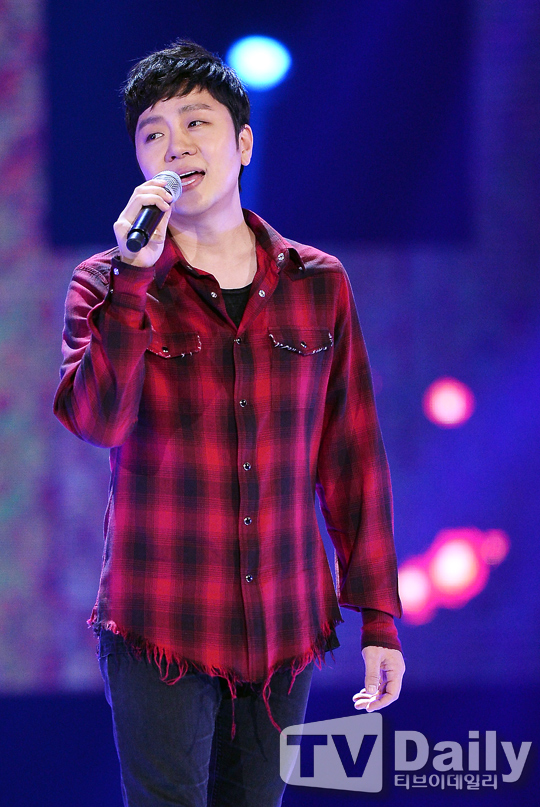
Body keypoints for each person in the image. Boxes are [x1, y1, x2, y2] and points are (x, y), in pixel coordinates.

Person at [54, 39, 405, 807]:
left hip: (284, 624)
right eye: (153, 133)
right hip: (162, 618)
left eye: (196, 123)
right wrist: (134, 279)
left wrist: (378, 616)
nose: (175, 145)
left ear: (243, 143)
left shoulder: (318, 283)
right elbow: (98, 420)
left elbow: (351, 452)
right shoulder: (105, 282)